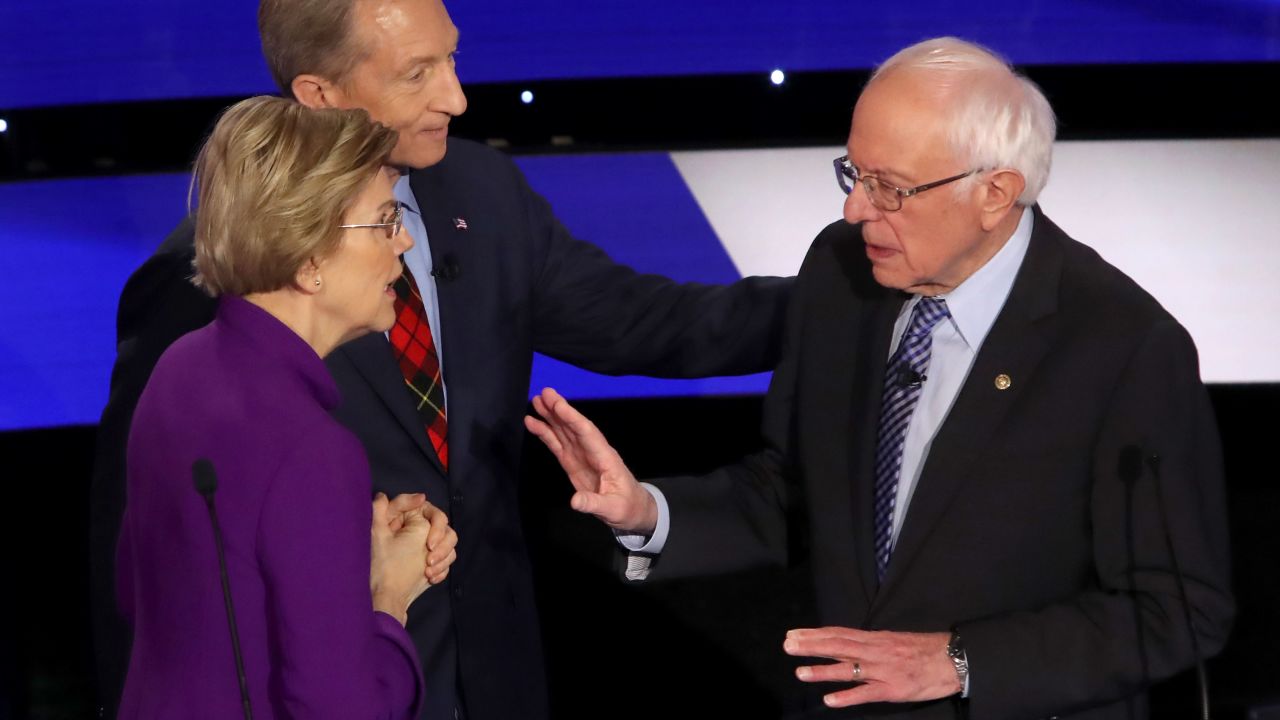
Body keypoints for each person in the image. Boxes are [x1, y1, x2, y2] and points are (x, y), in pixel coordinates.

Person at [89, 0, 791, 717]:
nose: (455, 97)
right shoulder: (200, 289)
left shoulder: (483, 195)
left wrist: (846, 302)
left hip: (494, 673)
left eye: (452, 58)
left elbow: (652, 321)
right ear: (320, 96)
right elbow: (143, 575)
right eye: (418, 72)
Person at [526, 37, 1235, 720]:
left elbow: (1178, 610)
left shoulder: (1123, 347)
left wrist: (961, 663)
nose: (855, 209)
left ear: (996, 193)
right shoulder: (843, 275)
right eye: (853, 173)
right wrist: (648, 513)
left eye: (890, 188)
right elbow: (792, 490)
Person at [117, 96, 458, 718]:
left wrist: (336, 549)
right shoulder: (313, 451)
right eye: (384, 221)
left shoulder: (180, 369)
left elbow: (145, 595)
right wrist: (387, 597)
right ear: (308, 261)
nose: (404, 241)